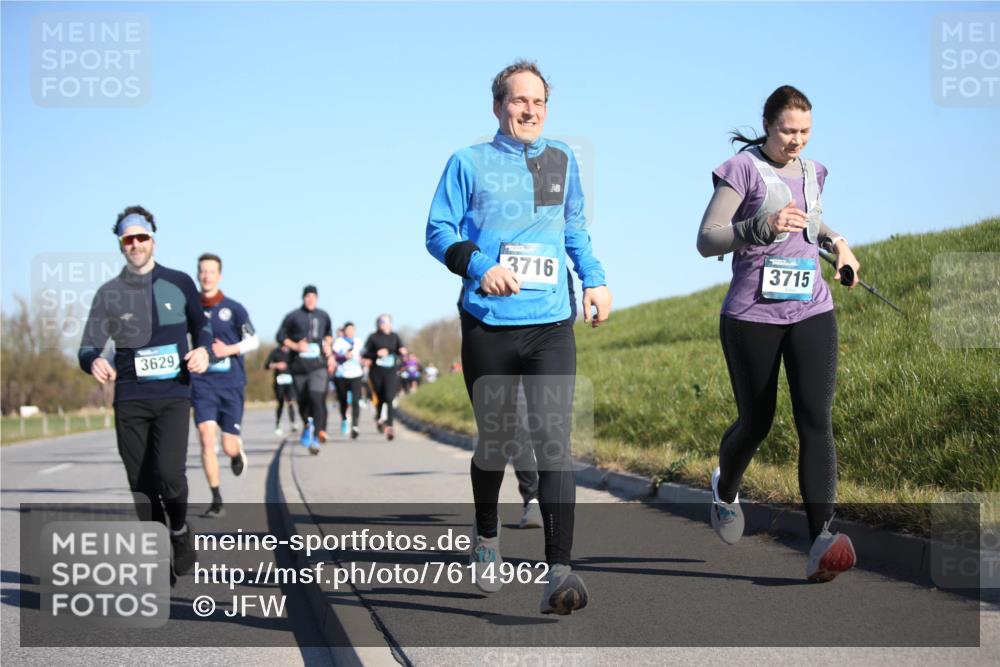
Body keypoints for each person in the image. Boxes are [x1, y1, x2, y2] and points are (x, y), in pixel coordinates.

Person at [426, 61, 612, 614]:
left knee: (554, 441)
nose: (530, 110)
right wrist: (480, 264)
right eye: (519, 101)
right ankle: (486, 534)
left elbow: (574, 227)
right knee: (497, 442)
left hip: (551, 323)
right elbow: (438, 232)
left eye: (539, 102)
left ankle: (560, 572)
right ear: (498, 107)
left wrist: (595, 280)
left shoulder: (561, 159)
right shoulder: (467, 162)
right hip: (488, 324)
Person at [696, 84, 859, 582]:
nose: (797, 141)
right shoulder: (742, 170)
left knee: (816, 419)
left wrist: (841, 246)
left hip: (811, 309)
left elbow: (814, 220)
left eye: (805, 131)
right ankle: (726, 490)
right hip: (751, 316)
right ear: (768, 125)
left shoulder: (813, 171)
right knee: (757, 422)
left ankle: (821, 541)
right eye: (788, 131)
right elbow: (707, 239)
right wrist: (761, 225)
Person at [78, 205, 211, 578]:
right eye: (128, 239)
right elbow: (88, 345)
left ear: (153, 239)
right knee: (140, 485)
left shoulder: (180, 282)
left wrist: (203, 349)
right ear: (121, 244)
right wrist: (92, 362)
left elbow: (202, 328)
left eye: (141, 237)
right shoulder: (110, 293)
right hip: (130, 399)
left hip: (172, 395)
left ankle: (180, 531)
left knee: (169, 476)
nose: (135, 244)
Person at [191, 253, 259, 518]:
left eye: (211, 271)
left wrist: (229, 349)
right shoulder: (190, 307)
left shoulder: (234, 308)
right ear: (198, 275)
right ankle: (216, 498)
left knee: (228, 445)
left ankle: (236, 452)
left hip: (231, 384)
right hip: (201, 383)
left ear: (219, 275)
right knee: (207, 440)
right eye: (202, 271)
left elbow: (253, 340)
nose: (206, 275)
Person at [276, 285, 334, 454]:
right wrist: (295, 345)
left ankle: (316, 437)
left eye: (313, 297)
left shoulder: (323, 316)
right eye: (307, 297)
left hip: (318, 366)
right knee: (303, 401)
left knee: (316, 398)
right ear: (303, 298)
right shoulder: (293, 316)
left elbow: (329, 333)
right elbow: (280, 336)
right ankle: (307, 425)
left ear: (317, 299)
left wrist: (328, 345)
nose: (310, 300)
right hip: (299, 367)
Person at [361, 314, 407, 441]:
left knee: (389, 397)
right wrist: (376, 354)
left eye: (385, 322)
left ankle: (390, 426)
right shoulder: (373, 337)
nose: (383, 324)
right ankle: (380, 419)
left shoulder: (395, 336)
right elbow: (365, 353)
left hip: (391, 371)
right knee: (380, 398)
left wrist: (402, 351)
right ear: (377, 324)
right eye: (381, 322)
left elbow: (401, 350)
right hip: (376, 372)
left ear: (390, 323)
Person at [332, 321, 365, 439]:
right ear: (344, 331)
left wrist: (364, 360)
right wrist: (343, 356)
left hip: (356, 374)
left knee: (356, 401)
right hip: (342, 375)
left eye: (352, 330)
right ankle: (345, 419)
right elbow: (333, 356)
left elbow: (364, 354)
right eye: (348, 330)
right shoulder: (339, 342)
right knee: (343, 402)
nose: (350, 332)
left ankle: (355, 426)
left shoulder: (359, 342)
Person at [265, 345, 298, 435]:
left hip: (290, 381)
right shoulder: (275, 352)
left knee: (291, 401)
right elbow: (267, 365)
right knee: (281, 403)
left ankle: (293, 423)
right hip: (279, 381)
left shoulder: (292, 352)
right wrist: (276, 365)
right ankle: (278, 424)